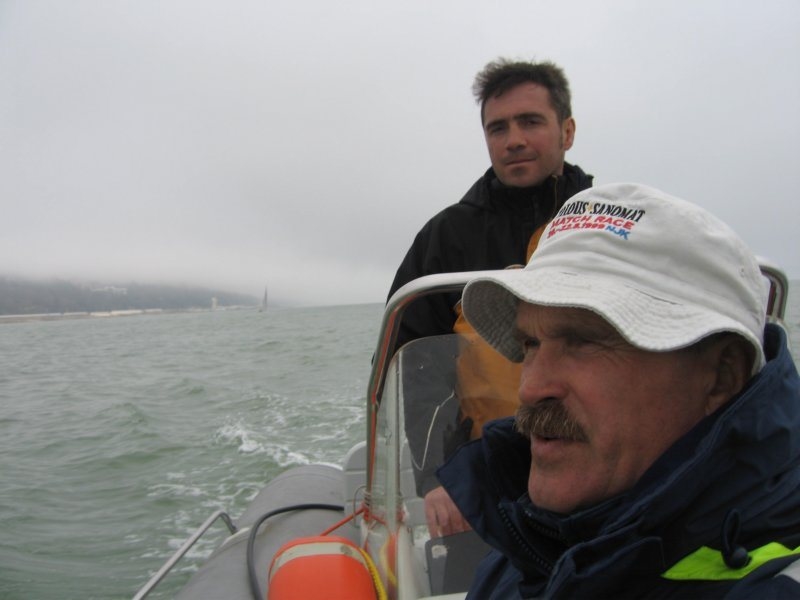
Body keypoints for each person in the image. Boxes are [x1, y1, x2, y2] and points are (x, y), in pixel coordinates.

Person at [437, 182, 800, 598]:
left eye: (584, 341)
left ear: (721, 375)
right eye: (530, 344)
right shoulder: (527, 546)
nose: (531, 388)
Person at [388, 58, 593, 537]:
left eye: (530, 122)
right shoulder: (445, 238)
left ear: (567, 131)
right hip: (485, 475)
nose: (513, 139)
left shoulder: (607, 225)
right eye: (497, 128)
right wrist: (440, 475)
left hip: (598, 462)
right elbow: (415, 364)